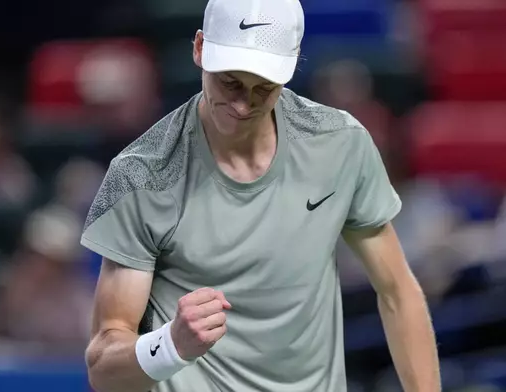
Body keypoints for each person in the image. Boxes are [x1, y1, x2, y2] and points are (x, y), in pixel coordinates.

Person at [80, 0, 441, 391]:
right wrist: (169, 344)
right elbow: (103, 367)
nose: (242, 104)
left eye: (263, 89)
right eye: (230, 82)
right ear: (199, 48)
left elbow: (397, 291)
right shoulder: (139, 174)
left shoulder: (341, 145)